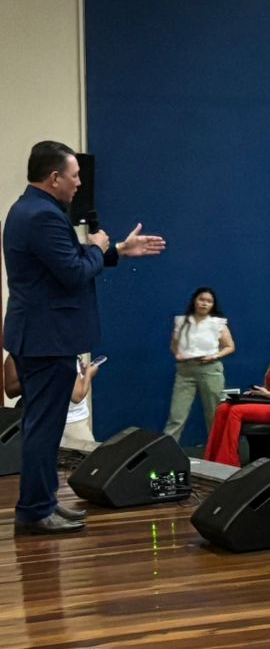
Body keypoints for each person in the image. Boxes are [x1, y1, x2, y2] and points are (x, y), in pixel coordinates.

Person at [3, 141, 166, 534]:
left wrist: (118, 251)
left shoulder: (31, 210)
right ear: (54, 176)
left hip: (40, 335)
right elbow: (74, 271)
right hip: (47, 338)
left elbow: (66, 259)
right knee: (43, 427)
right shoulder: (42, 216)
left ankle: (41, 505)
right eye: (74, 175)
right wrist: (97, 247)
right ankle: (36, 511)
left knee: (43, 425)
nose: (79, 183)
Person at [203, 323, 270, 466]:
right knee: (223, 408)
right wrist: (259, 392)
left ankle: (228, 462)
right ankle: (211, 459)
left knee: (236, 411)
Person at [161, 286, 235, 442]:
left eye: (209, 301)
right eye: (202, 299)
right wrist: (177, 353)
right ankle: (165, 452)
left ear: (213, 305)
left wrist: (215, 356)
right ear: (195, 300)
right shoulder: (182, 321)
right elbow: (174, 346)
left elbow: (230, 346)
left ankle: (217, 454)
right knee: (177, 414)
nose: (204, 304)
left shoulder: (217, 323)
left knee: (214, 414)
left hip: (210, 369)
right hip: (185, 370)